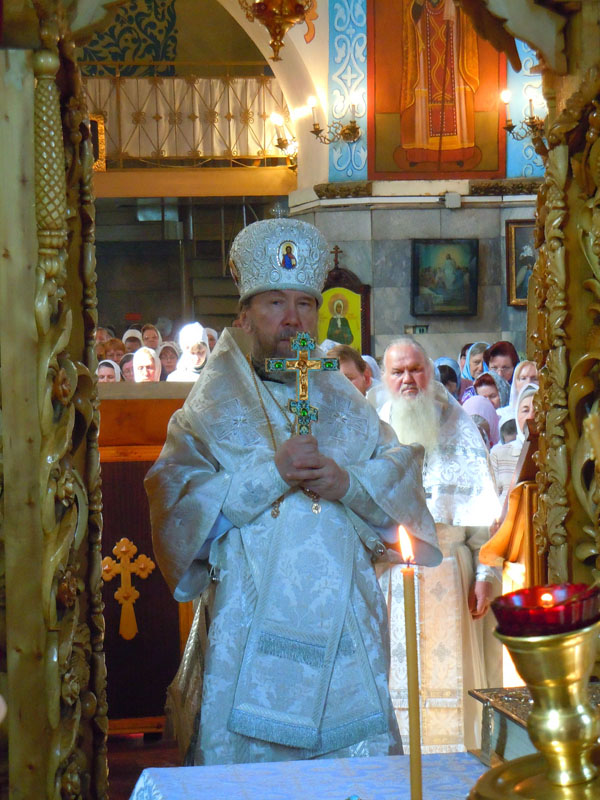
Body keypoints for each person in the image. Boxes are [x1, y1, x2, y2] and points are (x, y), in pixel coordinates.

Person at [145, 218, 441, 766]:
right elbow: (174, 509)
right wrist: (270, 474)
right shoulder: (207, 412)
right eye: (275, 302)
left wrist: (348, 482)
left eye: (305, 303)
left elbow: (402, 477)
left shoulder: (345, 403)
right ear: (244, 315)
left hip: (346, 625)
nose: (292, 318)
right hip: (247, 621)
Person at [379, 336, 500, 752]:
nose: (408, 379)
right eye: (398, 372)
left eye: (416, 369)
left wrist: (485, 575)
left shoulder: (460, 427)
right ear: (384, 377)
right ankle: (398, 770)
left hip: (451, 572)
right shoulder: (372, 429)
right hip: (390, 577)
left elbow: (483, 523)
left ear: (430, 373)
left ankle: (457, 767)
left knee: (455, 684)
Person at [490, 384, 538, 506]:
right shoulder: (499, 454)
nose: (531, 416)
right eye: (525, 410)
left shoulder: (553, 452)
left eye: (537, 410)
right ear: (517, 415)